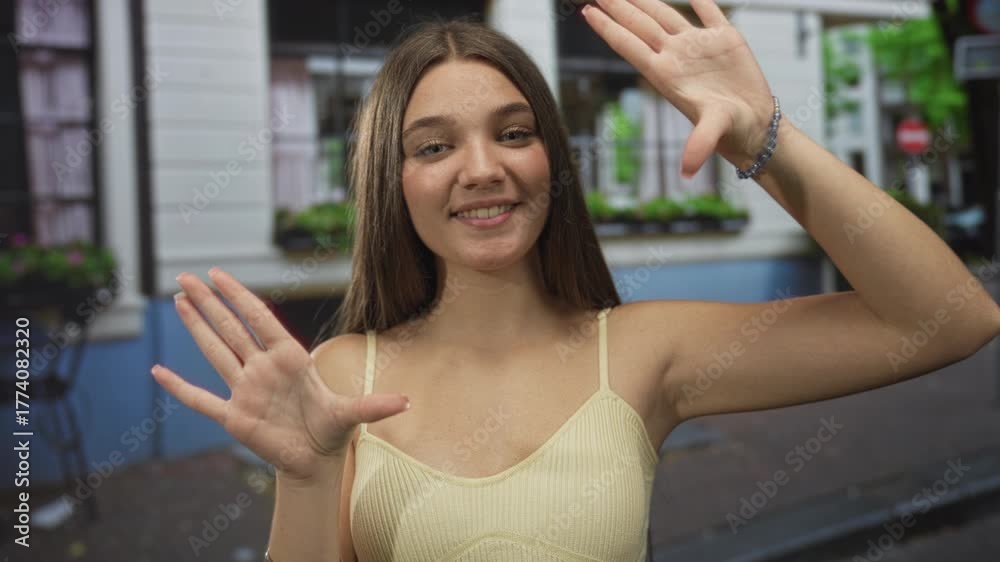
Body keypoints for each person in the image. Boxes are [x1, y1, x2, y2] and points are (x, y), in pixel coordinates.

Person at [150, 1, 1000, 561]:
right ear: (392, 181)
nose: (482, 168)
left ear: (551, 159)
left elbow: (948, 317)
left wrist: (764, 137)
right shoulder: (338, 379)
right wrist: (305, 478)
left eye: (513, 133)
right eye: (434, 146)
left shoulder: (640, 353)